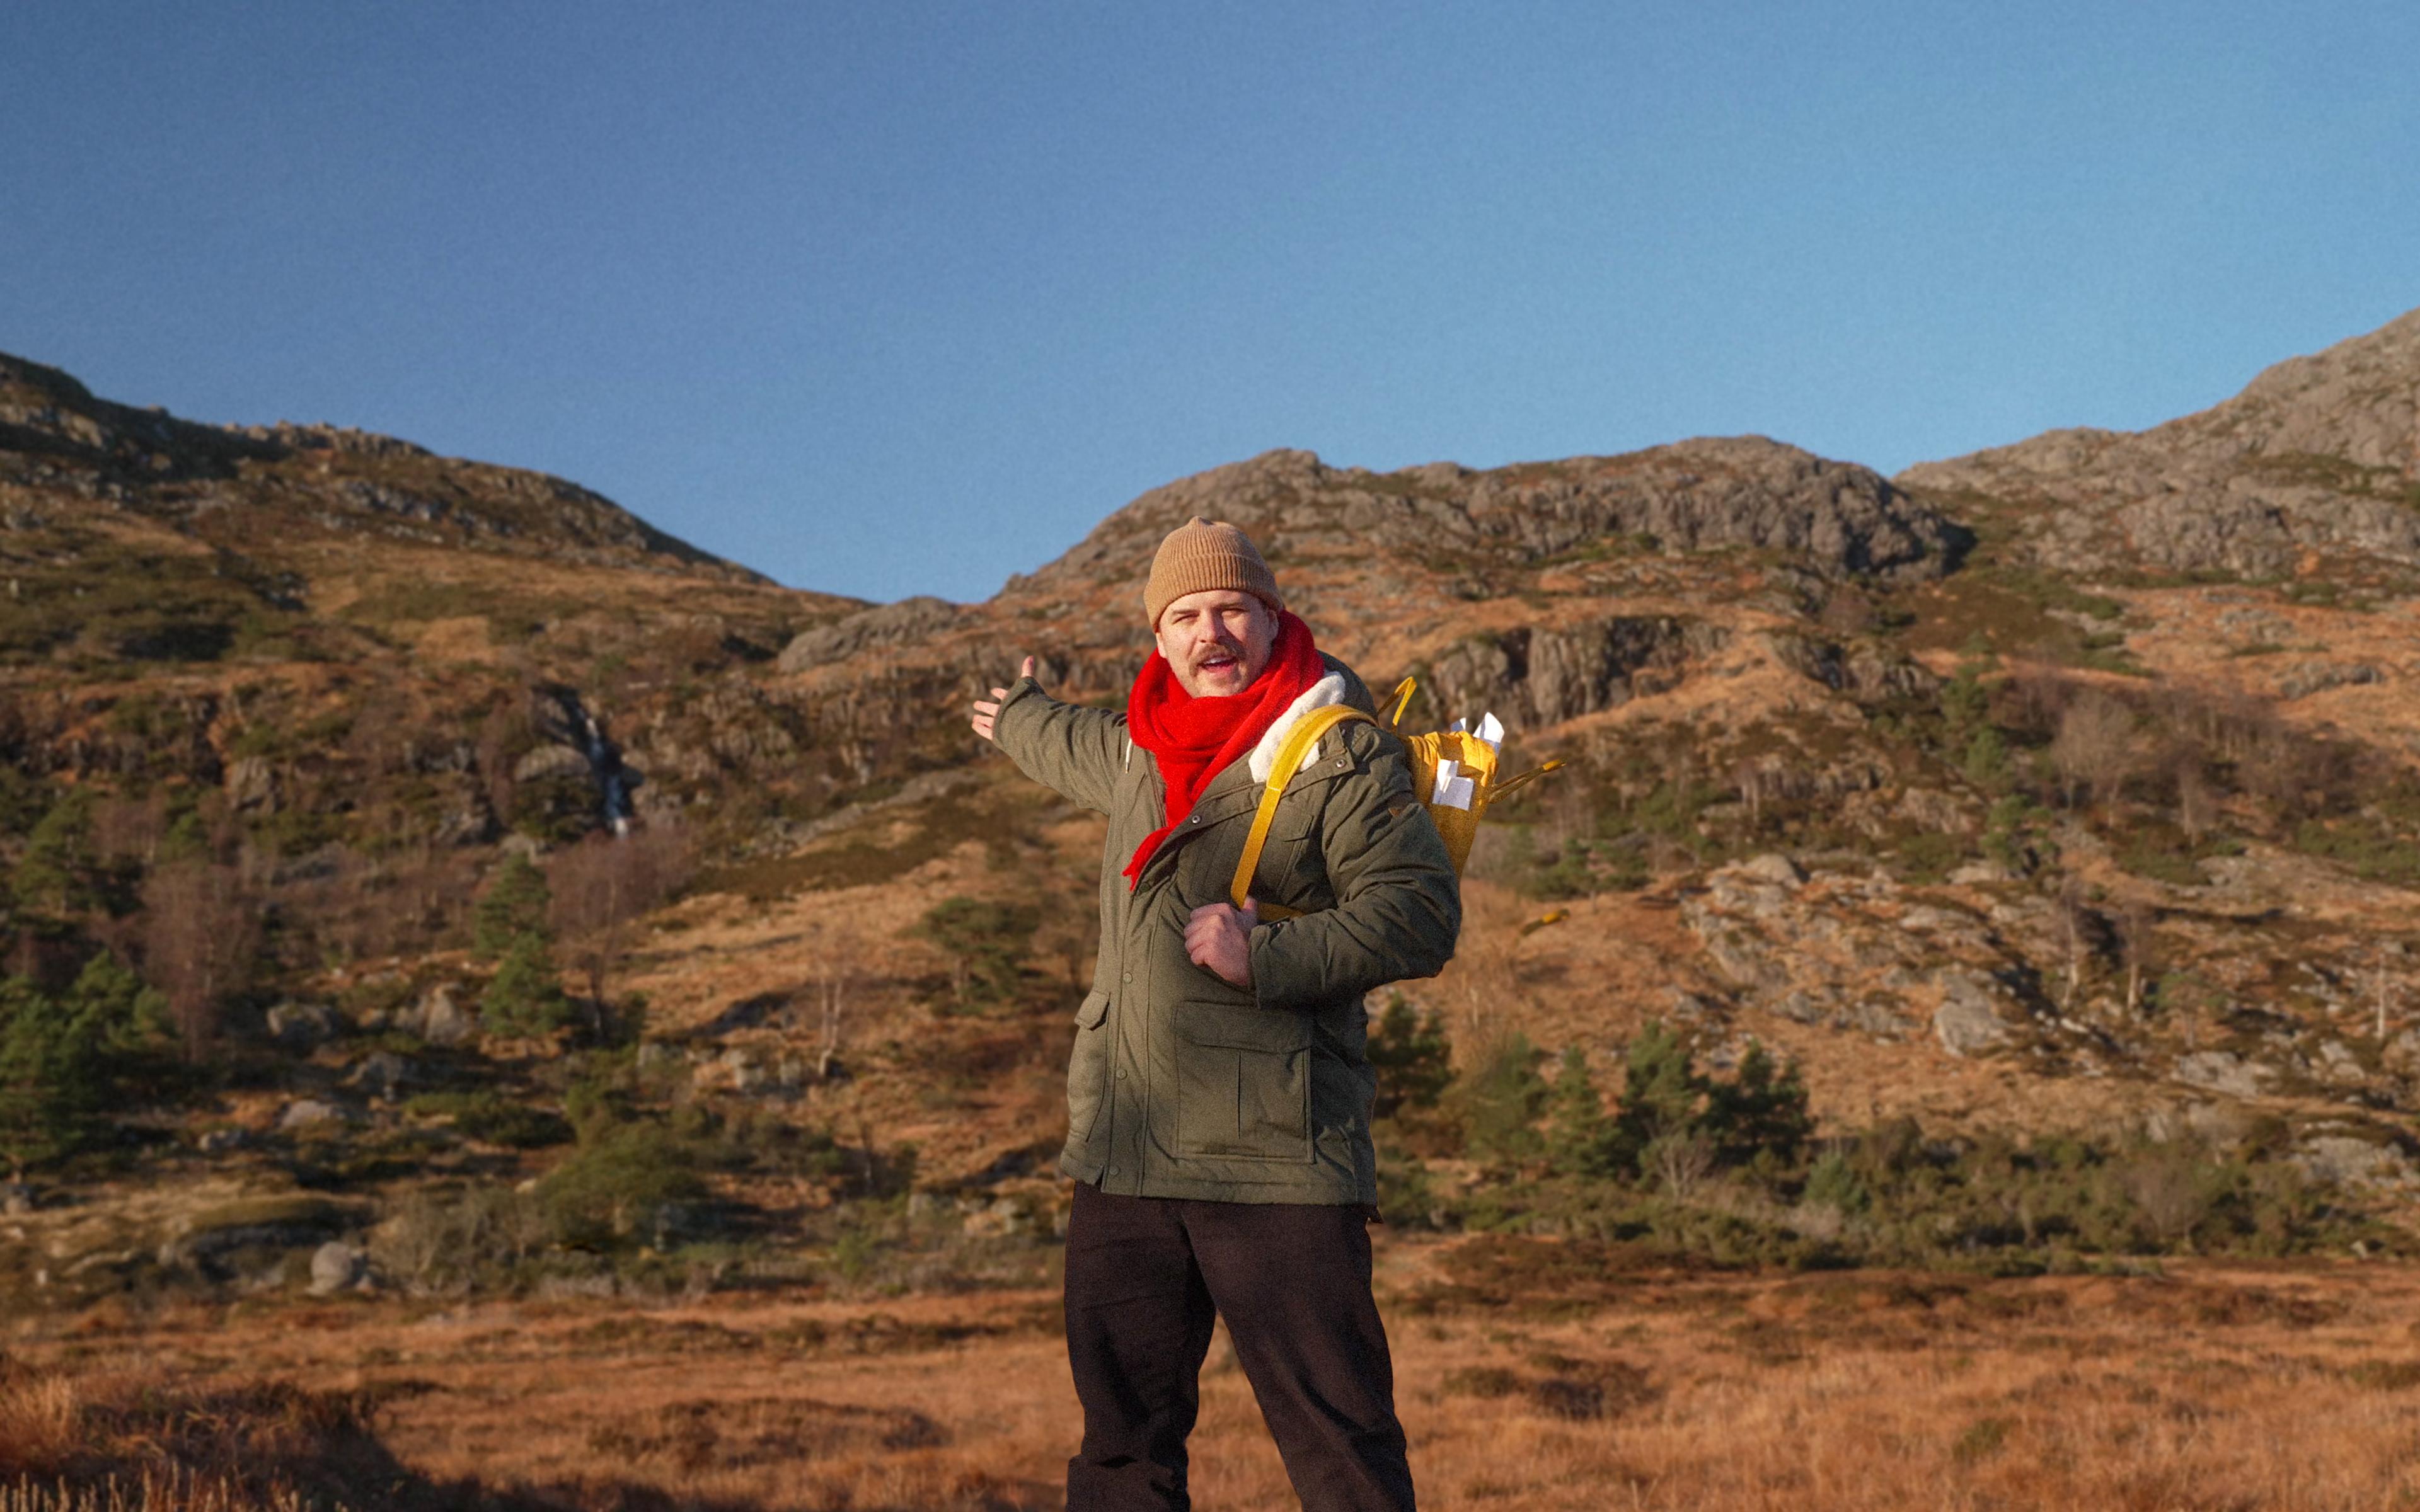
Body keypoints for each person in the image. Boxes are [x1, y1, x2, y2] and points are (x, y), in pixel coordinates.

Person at [968, 516, 1460, 1512]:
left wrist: (1264, 953)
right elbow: (1066, 742)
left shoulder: (1340, 755)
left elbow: (1420, 914)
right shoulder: (1139, 750)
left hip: (1275, 1160)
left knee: (1341, 1451)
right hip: (1126, 1153)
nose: (1211, 632)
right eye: (1186, 615)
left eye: (1232, 608)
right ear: (1161, 638)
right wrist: (1015, 713)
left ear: (1274, 620)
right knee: (1121, 1454)